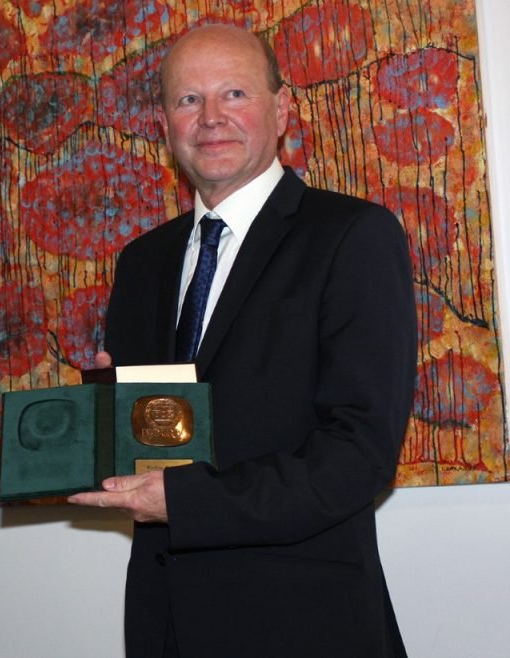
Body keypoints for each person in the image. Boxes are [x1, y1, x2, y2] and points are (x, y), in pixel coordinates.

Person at [68, 24, 416, 658]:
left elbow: (358, 455)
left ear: (281, 111)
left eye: (233, 93)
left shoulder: (352, 236)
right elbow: (154, 442)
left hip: (305, 625)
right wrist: (102, 424)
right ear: (165, 125)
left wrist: (185, 501)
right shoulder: (141, 262)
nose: (210, 118)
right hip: (164, 624)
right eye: (188, 99)